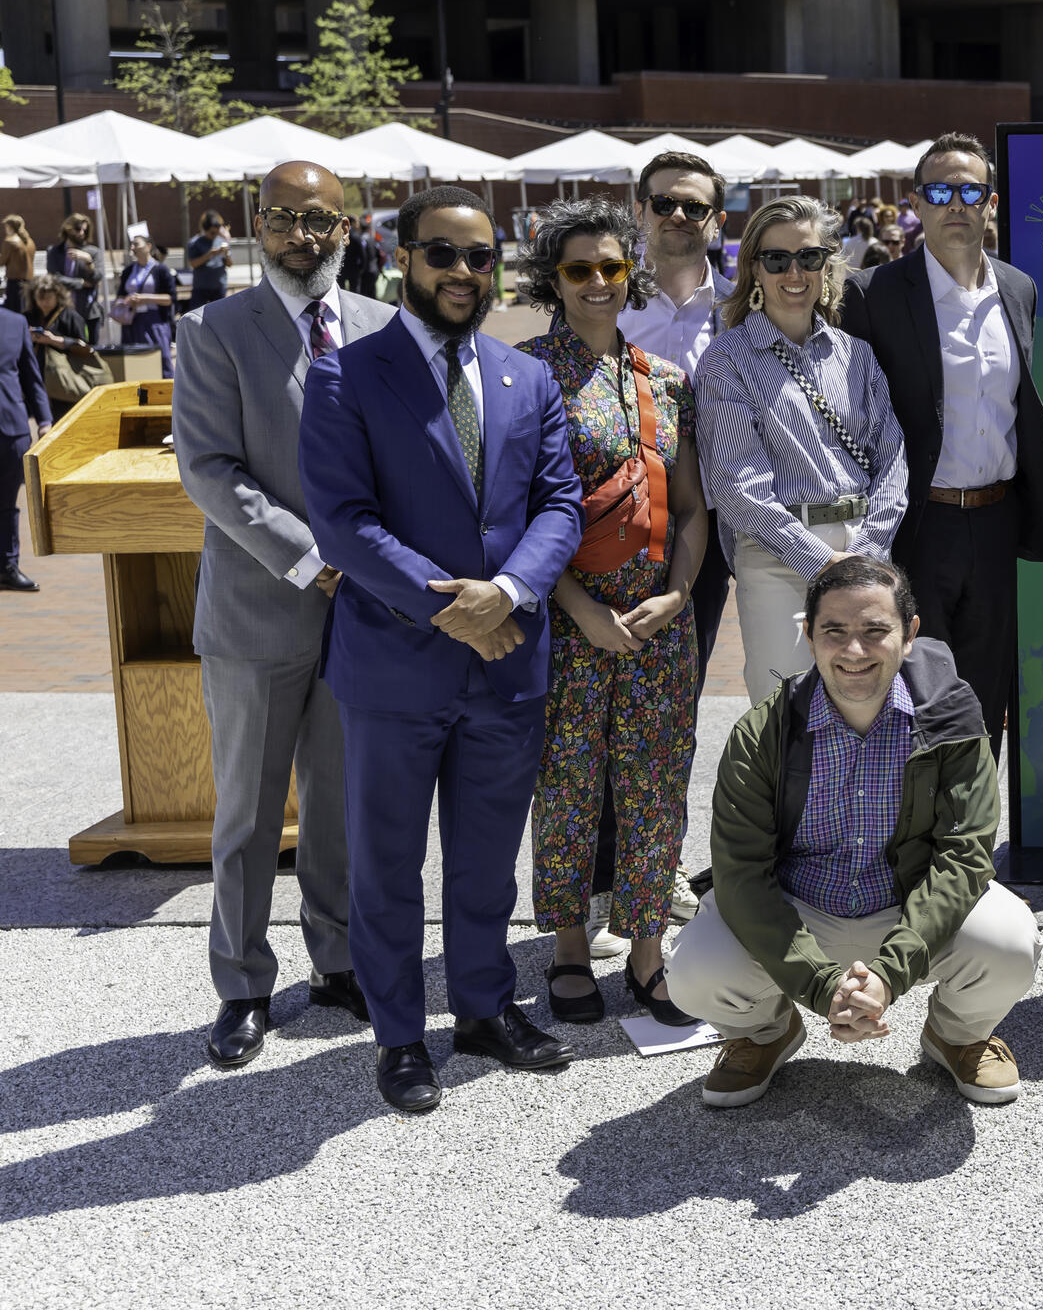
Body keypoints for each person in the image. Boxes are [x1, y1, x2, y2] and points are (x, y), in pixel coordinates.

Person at [298, 184, 586, 1114]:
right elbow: (343, 523)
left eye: (481, 256)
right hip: (394, 666)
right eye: (444, 253)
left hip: (509, 659)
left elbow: (558, 504)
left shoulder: (525, 377)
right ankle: (398, 1035)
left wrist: (508, 592)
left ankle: (483, 1008)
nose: (464, 272)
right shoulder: (345, 375)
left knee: (486, 859)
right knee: (387, 865)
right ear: (402, 257)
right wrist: (455, 607)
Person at [665, 555, 1042, 1107]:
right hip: (799, 910)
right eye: (834, 631)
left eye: (875, 631)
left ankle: (957, 1035)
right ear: (809, 636)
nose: (854, 650)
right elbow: (741, 872)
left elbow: (963, 859)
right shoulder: (763, 732)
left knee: (1009, 941)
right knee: (694, 968)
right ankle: (765, 1033)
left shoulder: (953, 723)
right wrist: (821, 987)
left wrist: (890, 974)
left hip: (905, 904)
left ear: (909, 634)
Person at [171, 162, 394, 1068]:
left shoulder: (384, 325)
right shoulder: (212, 330)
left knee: (341, 804)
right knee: (250, 812)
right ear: (255, 225)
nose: (302, 236)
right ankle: (242, 984)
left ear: (347, 228)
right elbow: (209, 470)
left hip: (363, 617)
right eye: (283, 219)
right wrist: (315, 557)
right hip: (258, 611)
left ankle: (338, 963)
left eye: (319, 220)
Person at [512, 197, 709, 1029]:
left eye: (612, 267)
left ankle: (647, 950)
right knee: (567, 783)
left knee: (657, 782)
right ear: (551, 279)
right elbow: (516, 516)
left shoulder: (665, 379)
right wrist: (582, 608)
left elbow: (692, 508)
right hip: (568, 623)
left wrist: (679, 593)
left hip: (659, 624)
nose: (598, 282)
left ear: (632, 273)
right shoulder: (523, 374)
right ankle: (568, 944)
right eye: (578, 268)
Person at [840, 132, 1043, 745]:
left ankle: (974, 812)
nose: (955, 204)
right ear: (916, 203)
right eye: (940, 191)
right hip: (917, 526)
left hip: (997, 521)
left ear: (991, 203)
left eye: (970, 192)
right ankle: (916, 812)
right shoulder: (872, 294)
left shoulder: (1018, 289)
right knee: (915, 700)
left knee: (985, 696)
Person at [696, 196, 907, 706]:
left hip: (865, 545)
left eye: (809, 257)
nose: (794, 272)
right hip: (778, 559)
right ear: (754, 268)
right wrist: (822, 563)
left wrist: (868, 553)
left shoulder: (856, 355)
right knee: (785, 712)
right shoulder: (727, 360)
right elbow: (736, 488)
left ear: (826, 265)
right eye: (777, 259)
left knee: (866, 706)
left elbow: (892, 459)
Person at [602, 150, 737, 947]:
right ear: (640, 210)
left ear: (717, 218)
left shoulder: (744, 305)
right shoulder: (607, 295)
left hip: (711, 531)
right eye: (664, 203)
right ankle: (605, 875)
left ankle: (659, 863)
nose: (678, 216)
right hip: (619, 531)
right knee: (604, 701)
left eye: (694, 206)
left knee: (674, 707)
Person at [0, 290, 50, 593]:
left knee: (7, 502)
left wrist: (45, 422)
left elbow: (31, 377)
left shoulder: (15, 322)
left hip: (11, 428)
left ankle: (7, 566)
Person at [25, 274, 102, 412]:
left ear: (57, 296)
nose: (44, 302)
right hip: (35, 375)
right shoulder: (28, 316)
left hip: (63, 379)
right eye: (40, 298)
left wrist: (53, 340)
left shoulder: (71, 316)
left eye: (48, 298)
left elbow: (83, 347)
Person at [119, 232, 180, 376]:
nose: (133, 248)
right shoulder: (128, 271)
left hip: (155, 322)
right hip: (132, 322)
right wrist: (128, 301)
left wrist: (146, 298)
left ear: (148, 246)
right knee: (136, 363)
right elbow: (120, 296)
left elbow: (171, 298)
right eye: (131, 245)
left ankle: (168, 388)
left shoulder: (161, 270)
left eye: (136, 244)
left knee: (162, 361)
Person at [45, 216, 100, 323]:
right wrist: (81, 283)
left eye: (85, 230)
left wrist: (88, 261)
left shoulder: (93, 252)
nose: (82, 233)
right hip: (61, 310)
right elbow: (54, 278)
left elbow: (95, 279)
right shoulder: (54, 252)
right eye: (78, 229)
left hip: (87, 312)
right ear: (68, 229)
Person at [184, 210, 233, 313]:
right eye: (212, 233)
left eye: (217, 232)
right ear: (204, 230)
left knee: (220, 315)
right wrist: (210, 254)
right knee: (196, 315)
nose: (215, 235)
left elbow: (230, 264)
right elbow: (193, 264)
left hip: (219, 287)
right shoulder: (195, 243)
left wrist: (226, 254)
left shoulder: (221, 241)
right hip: (201, 288)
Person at [0, 213, 32, 314]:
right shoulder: (29, 241)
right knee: (26, 311)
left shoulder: (9, 241)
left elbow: (1, 261)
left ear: (9, 227)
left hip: (14, 282)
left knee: (14, 312)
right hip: (29, 281)